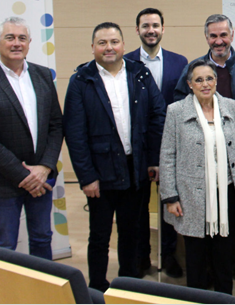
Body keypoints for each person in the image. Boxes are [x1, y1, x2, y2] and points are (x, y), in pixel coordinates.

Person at [63, 22, 166, 292]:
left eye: (114, 42)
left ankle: (127, 285)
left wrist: (153, 159)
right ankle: (96, 286)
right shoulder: (81, 80)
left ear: (123, 44)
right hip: (99, 172)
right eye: (102, 42)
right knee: (99, 235)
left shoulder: (139, 73)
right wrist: (86, 177)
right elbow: (74, 134)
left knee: (131, 232)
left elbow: (157, 117)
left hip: (136, 169)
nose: (109, 47)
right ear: (93, 47)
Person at [173, 13, 235, 289]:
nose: (219, 40)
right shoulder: (193, 68)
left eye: (224, 35)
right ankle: (210, 273)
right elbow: (180, 107)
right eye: (213, 35)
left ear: (232, 35)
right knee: (207, 221)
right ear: (207, 38)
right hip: (201, 159)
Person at [0, 16, 63, 259]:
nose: (16, 43)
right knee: (5, 244)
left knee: (43, 237)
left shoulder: (43, 76)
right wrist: (26, 176)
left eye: (22, 38)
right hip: (3, 180)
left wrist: (44, 168)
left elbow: (56, 125)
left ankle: (44, 292)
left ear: (30, 43)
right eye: (10, 37)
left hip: (42, 178)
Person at [159, 59, 235, 295]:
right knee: (196, 255)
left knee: (224, 253)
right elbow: (167, 155)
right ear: (189, 84)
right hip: (191, 194)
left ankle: (224, 297)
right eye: (198, 80)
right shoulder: (176, 111)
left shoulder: (233, 107)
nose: (205, 84)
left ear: (216, 81)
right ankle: (197, 298)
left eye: (209, 78)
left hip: (228, 192)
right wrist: (170, 196)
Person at [125, 7, 188, 278]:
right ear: (137, 30)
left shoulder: (179, 62)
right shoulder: (125, 62)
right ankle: (141, 257)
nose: (151, 30)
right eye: (145, 25)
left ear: (163, 29)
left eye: (155, 25)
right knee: (138, 207)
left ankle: (169, 255)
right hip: (137, 148)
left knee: (170, 205)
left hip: (171, 146)